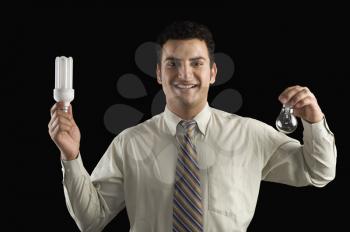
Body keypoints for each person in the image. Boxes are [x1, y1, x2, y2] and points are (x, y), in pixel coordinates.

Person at [48, 21, 337, 232]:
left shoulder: (250, 135)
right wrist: (71, 158)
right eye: (172, 64)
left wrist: (314, 121)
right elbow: (91, 219)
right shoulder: (130, 143)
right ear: (159, 73)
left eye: (196, 63)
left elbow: (319, 171)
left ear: (212, 73)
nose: (184, 74)